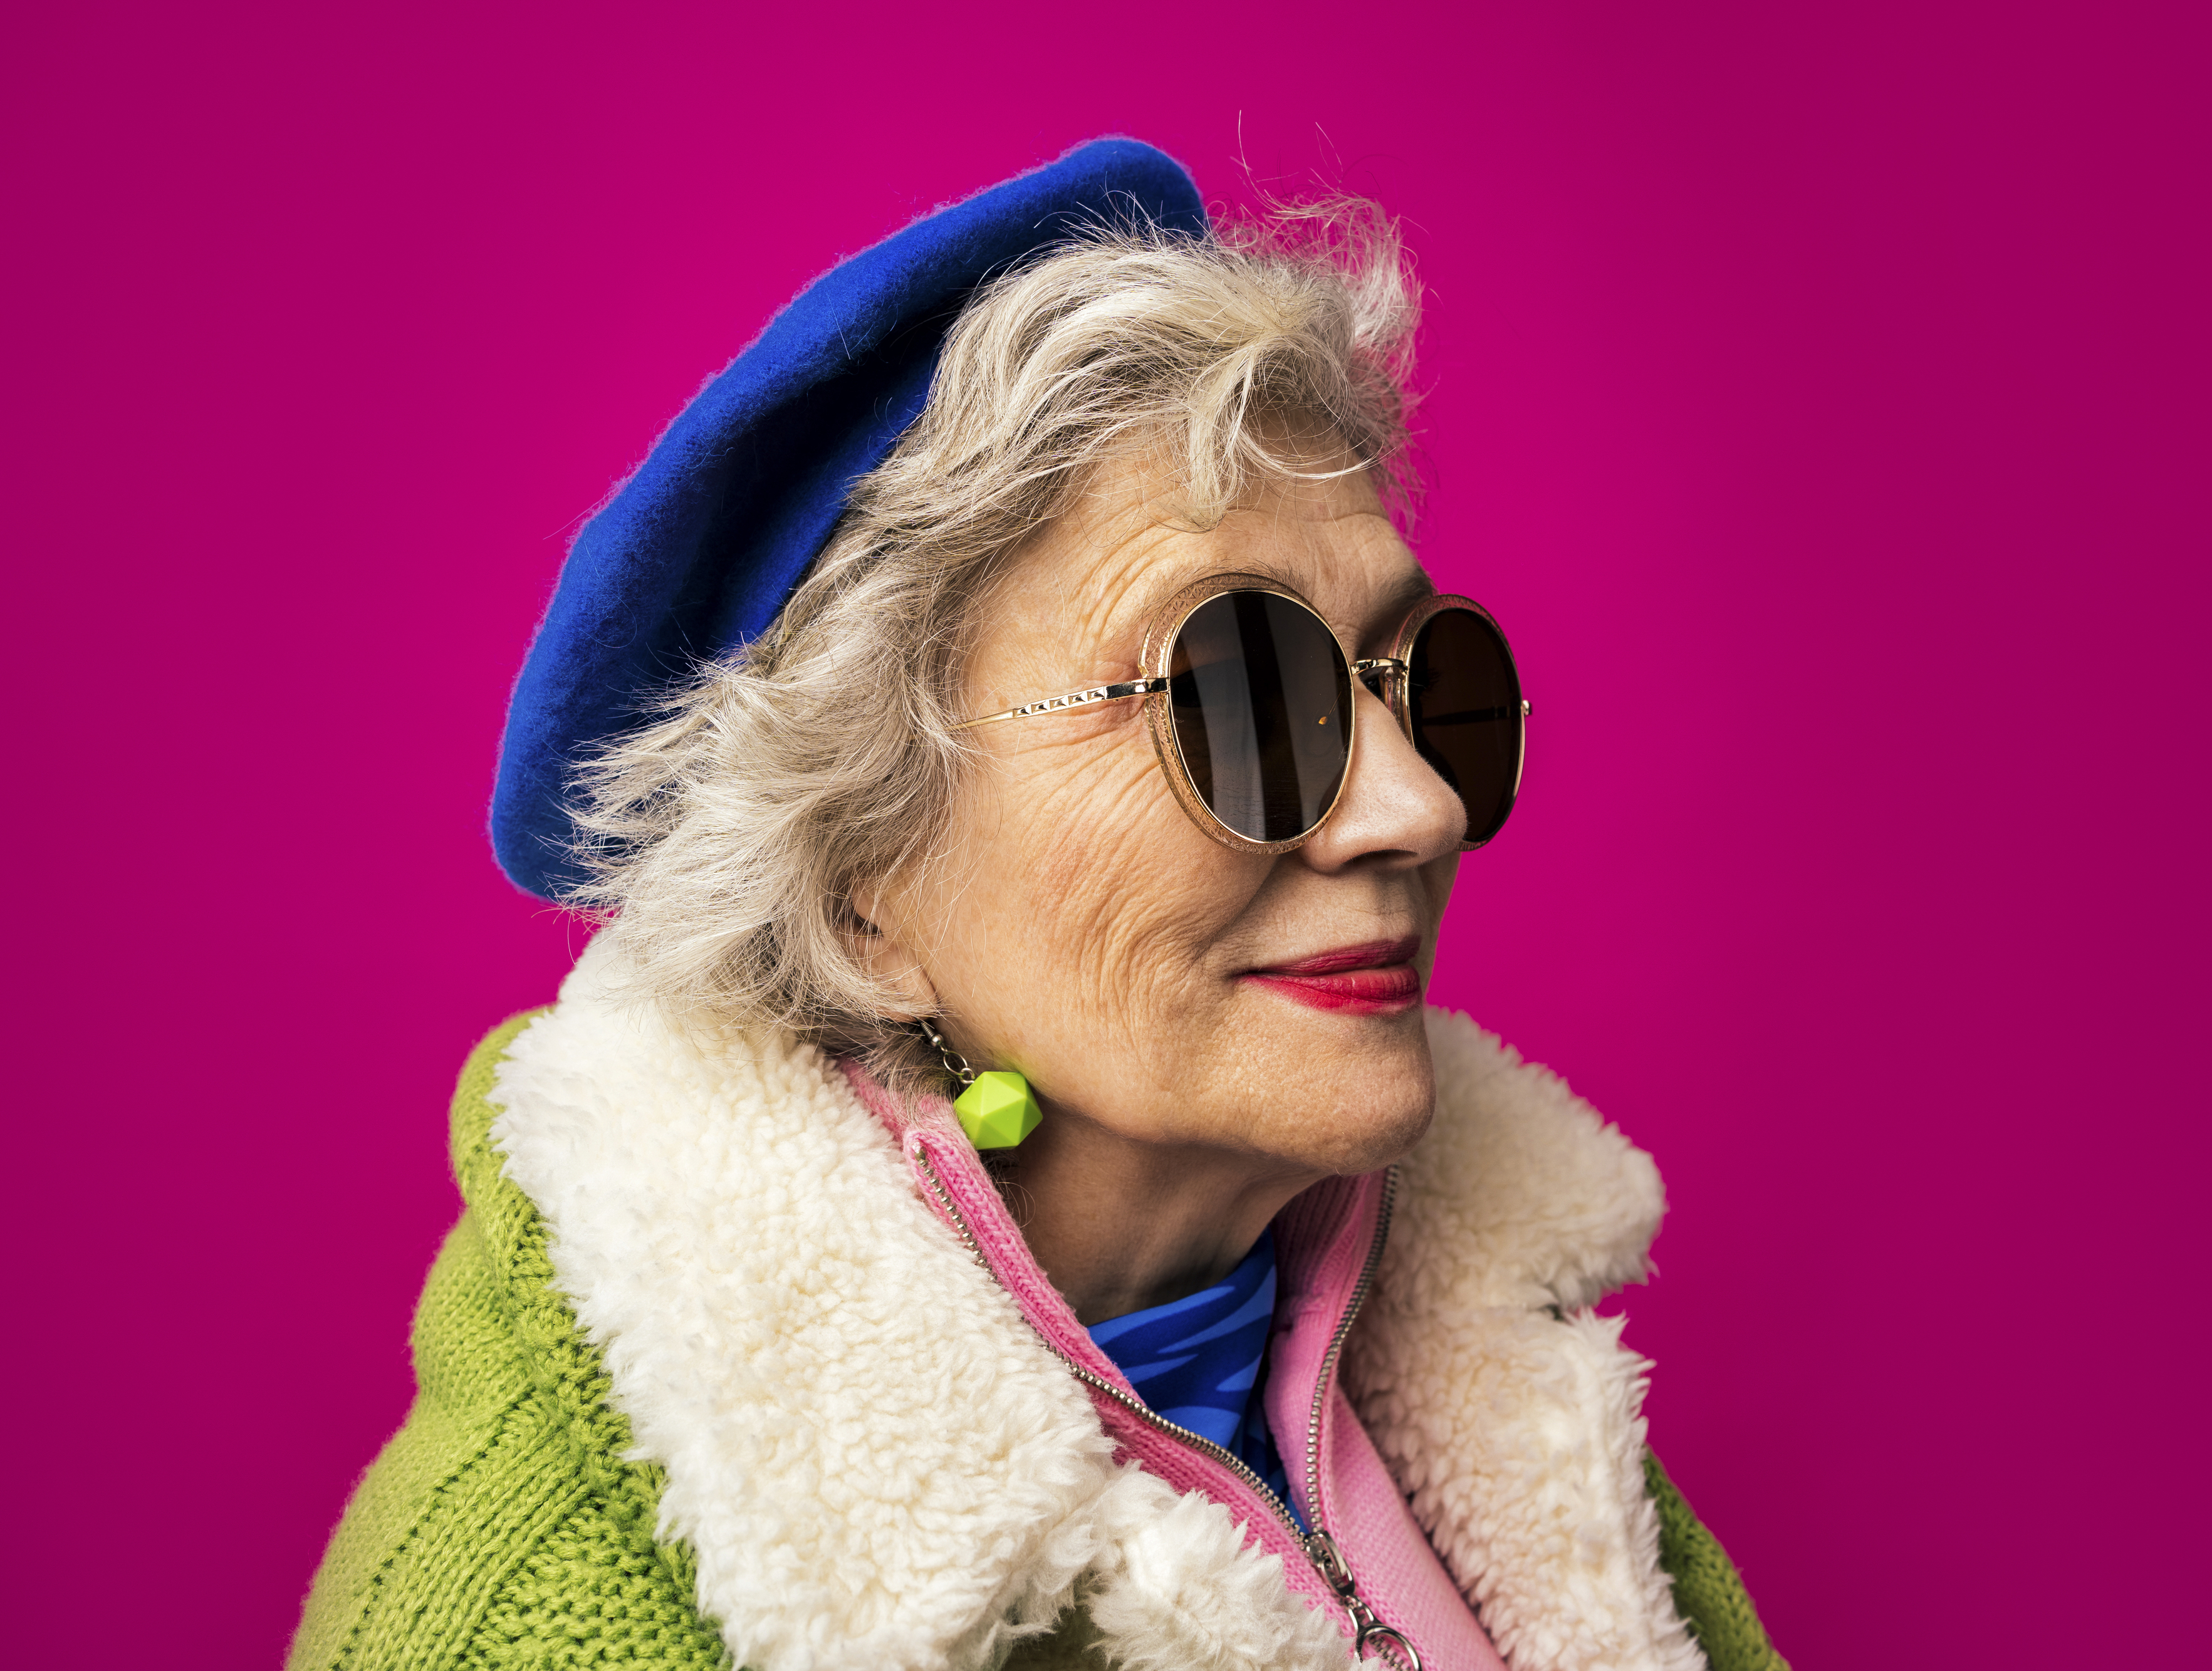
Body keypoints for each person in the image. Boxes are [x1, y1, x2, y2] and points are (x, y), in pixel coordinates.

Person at [288, 138, 1785, 1671]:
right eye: (1239, 693)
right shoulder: (529, 1615)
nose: (1419, 806)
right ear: (860, 875)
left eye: (1424, 688)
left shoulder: (1507, 1394)